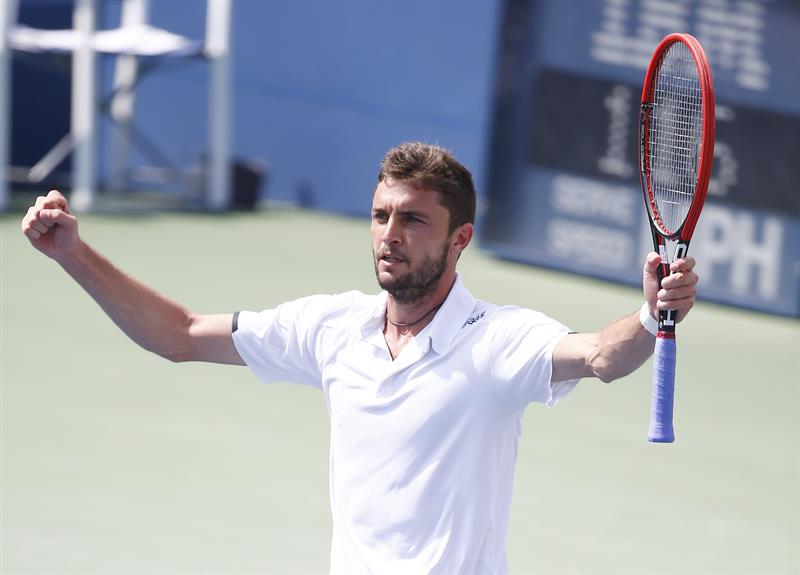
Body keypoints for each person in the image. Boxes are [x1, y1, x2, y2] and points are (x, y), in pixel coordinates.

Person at [21, 142, 698, 574]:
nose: (389, 235)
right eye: (380, 216)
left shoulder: (498, 339)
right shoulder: (332, 327)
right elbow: (180, 332)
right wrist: (74, 256)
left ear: (460, 238)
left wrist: (649, 316)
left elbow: (602, 355)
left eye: (412, 220)